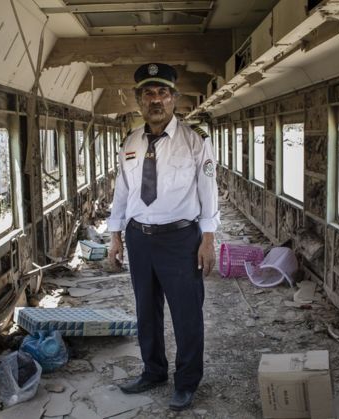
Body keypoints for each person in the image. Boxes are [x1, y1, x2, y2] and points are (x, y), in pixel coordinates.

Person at [106, 62, 220, 411]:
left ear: (175, 99)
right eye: (149, 94)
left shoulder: (195, 142)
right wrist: (115, 236)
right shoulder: (130, 142)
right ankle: (153, 371)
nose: (156, 100)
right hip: (140, 238)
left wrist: (208, 239)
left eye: (163, 93)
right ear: (139, 100)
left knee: (187, 314)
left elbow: (208, 191)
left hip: (180, 239)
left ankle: (186, 381)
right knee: (147, 311)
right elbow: (123, 192)